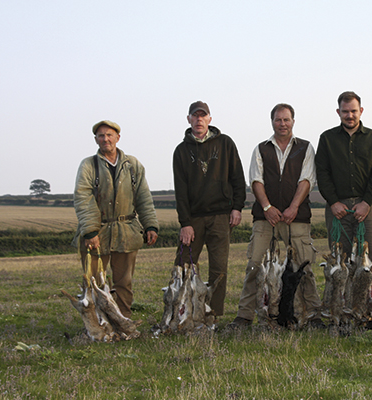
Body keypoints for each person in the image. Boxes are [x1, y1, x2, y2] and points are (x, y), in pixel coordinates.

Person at [229, 103, 324, 328]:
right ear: (272, 122)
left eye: (286, 119)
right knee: (255, 266)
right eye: (278, 120)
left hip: (296, 217)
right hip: (265, 218)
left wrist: (293, 207)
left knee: (304, 266)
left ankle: (312, 315)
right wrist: (267, 207)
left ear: (293, 121)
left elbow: (307, 180)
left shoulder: (306, 148)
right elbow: (255, 180)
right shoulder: (261, 149)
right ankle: (244, 316)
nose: (282, 124)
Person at [73, 120, 159, 318]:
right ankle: (98, 323)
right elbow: (83, 198)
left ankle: (124, 322)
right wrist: (90, 231)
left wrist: (150, 225)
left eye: (109, 135)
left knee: (123, 283)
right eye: (101, 136)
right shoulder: (88, 165)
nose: (105, 139)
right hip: (97, 233)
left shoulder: (133, 165)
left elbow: (143, 196)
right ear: (96, 140)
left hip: (126, 231)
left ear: (118, 138)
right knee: (94, 282)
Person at [173, 101, 246, 319]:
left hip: (221, 217)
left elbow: (237, 178)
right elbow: (181, 190)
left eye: (203, 116)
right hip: (194, 218)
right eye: (195, 116)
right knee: (183, 267)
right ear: (188, 120)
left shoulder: (225, 144)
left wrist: (237, 208)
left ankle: (213, 315)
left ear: (210, 119)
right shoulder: (181, 151)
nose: (199, 120)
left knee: (219, 269)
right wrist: (185, 223)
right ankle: (180, 312)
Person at [315, 91, 372, 260]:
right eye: (345, 111)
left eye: (353, 111)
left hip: (367, 206)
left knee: (370, 259)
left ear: (361, 110)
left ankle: (370, 288)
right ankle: (343, 288)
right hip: (338, 208)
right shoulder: (327, 139)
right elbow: (322, 173)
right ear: (338, 112)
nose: (350, 115)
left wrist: (366, 203)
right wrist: (333, 202)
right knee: (340, 259)